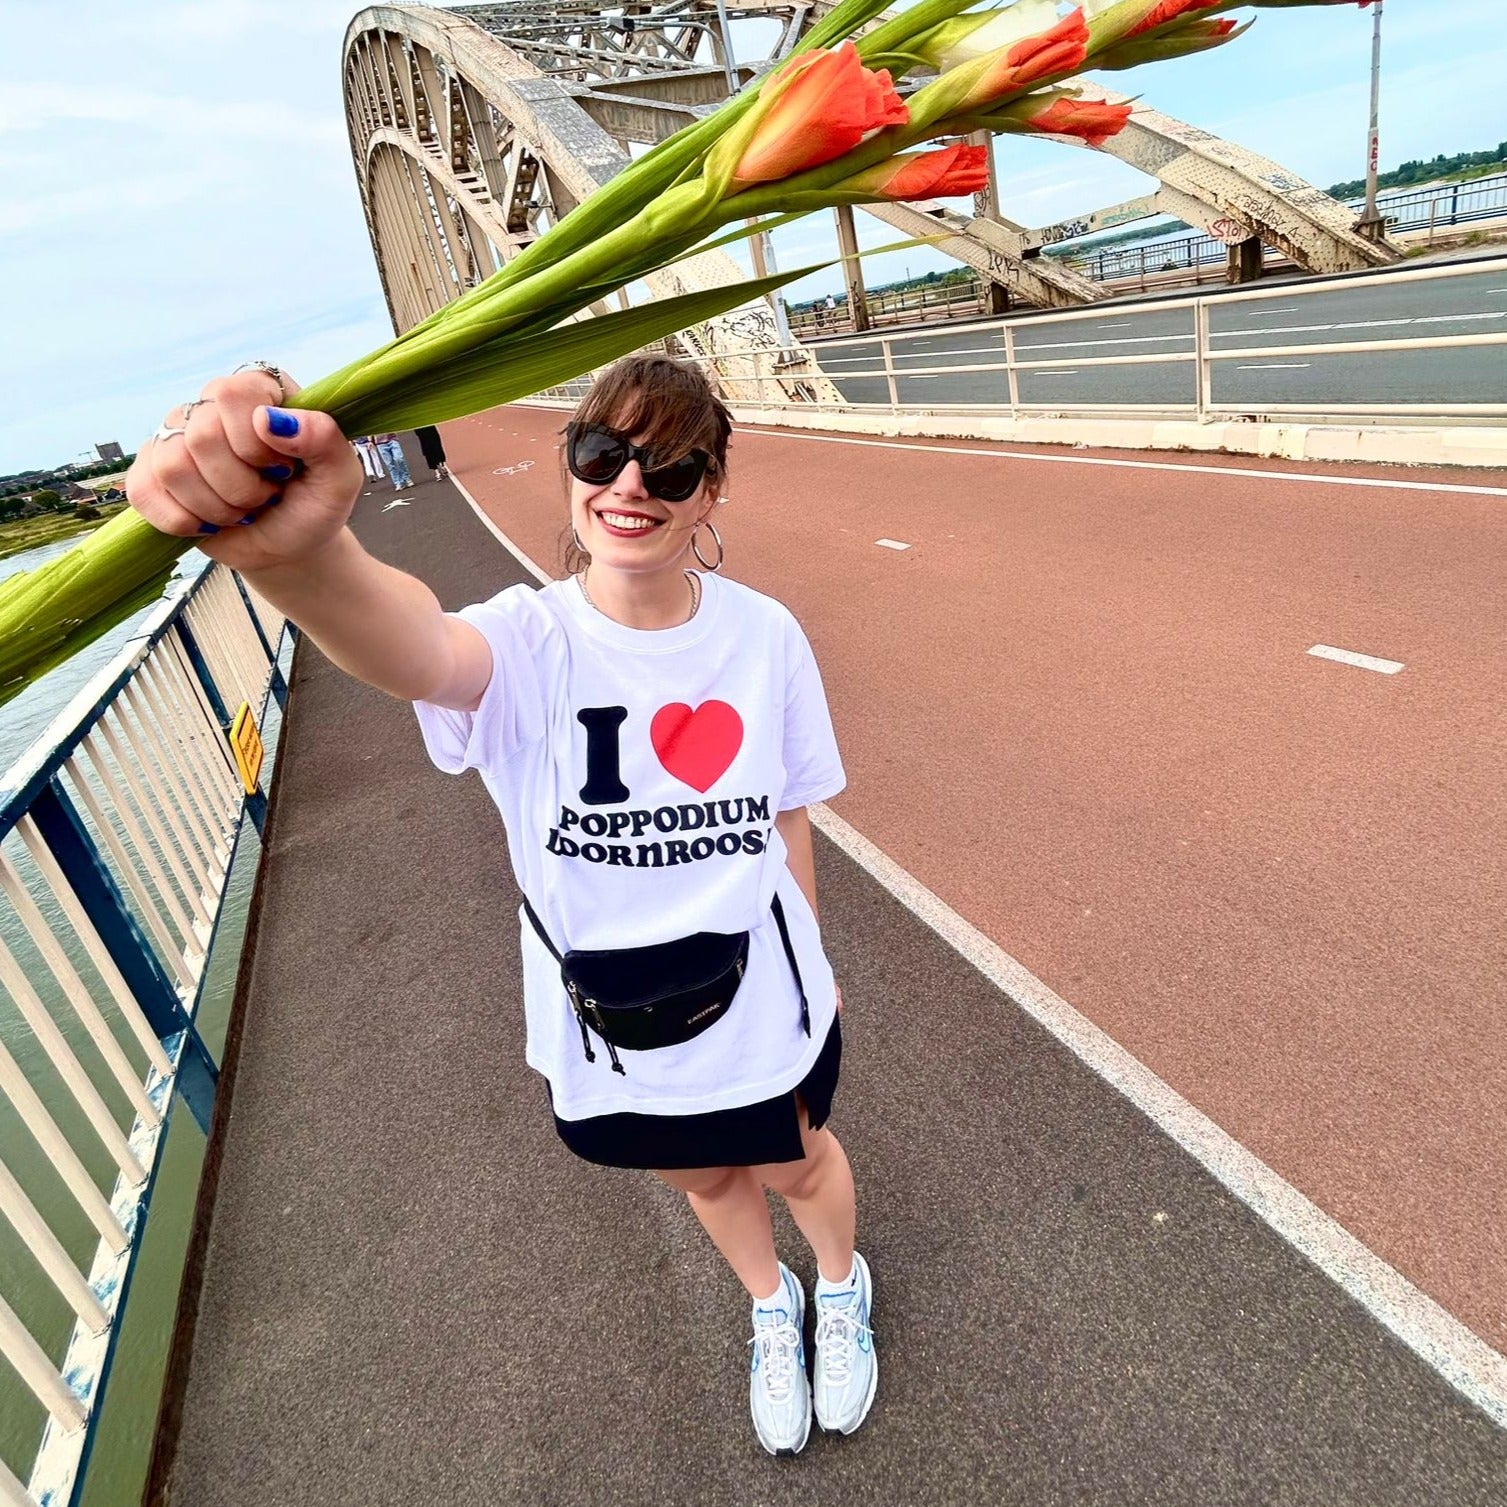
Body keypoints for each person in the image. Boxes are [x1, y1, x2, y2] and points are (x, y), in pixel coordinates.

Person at [123, 355, 875, 1456]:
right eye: (602, 451)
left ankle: (843, 1286)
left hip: (766, 991)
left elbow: (788, 814)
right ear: (570, 464)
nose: (631, 483)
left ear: (711, 492)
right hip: (606, 1019)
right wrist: (307, 562)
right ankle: (772, 1303)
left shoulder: (764, 636)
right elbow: (415, 644)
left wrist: (812, 951)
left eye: (671, 466)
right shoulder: (528, 639)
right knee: (702, 1171)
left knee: (798, 1155)